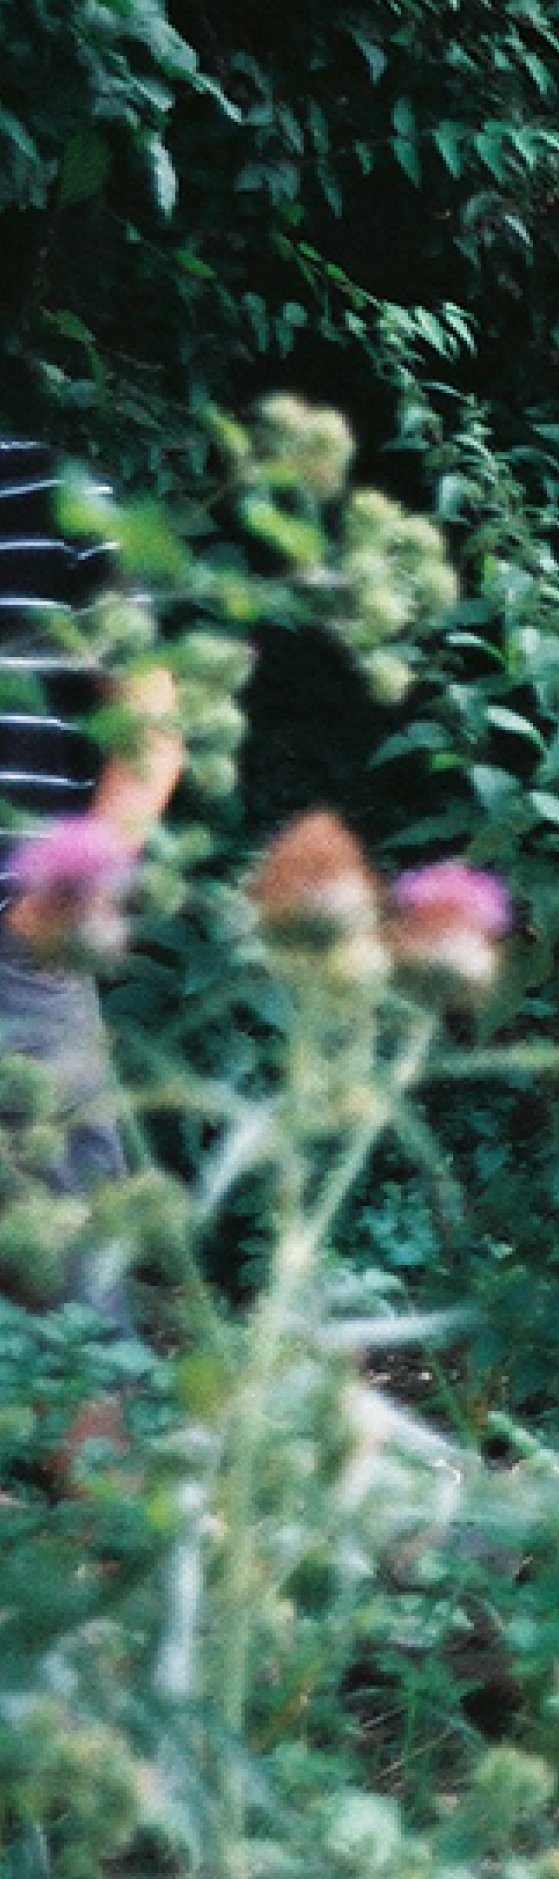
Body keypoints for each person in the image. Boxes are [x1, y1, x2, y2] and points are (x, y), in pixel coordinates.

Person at [3, 434, 181, 1320]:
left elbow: (149, 731)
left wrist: (58, 906)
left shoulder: (60, 495)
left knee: (75, 1327)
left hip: (12, 960)